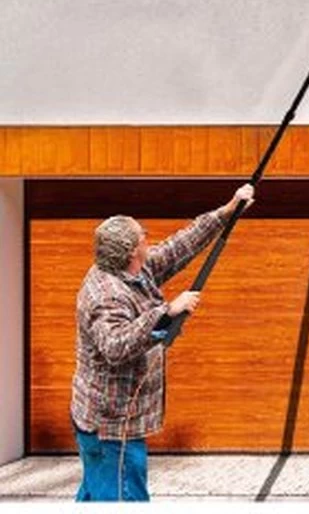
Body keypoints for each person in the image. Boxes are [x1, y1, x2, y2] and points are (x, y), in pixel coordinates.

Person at [70, 183, 255, 502]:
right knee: (124, 499)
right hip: (111, 429)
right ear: (131, 251)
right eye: (143, 236)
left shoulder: (134, 271)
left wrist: (228, 210)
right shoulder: (106, 294)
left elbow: (179, 247)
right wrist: (166, 310)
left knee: (96, 495)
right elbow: (115, 345)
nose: (149, 239)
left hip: (106, 425)